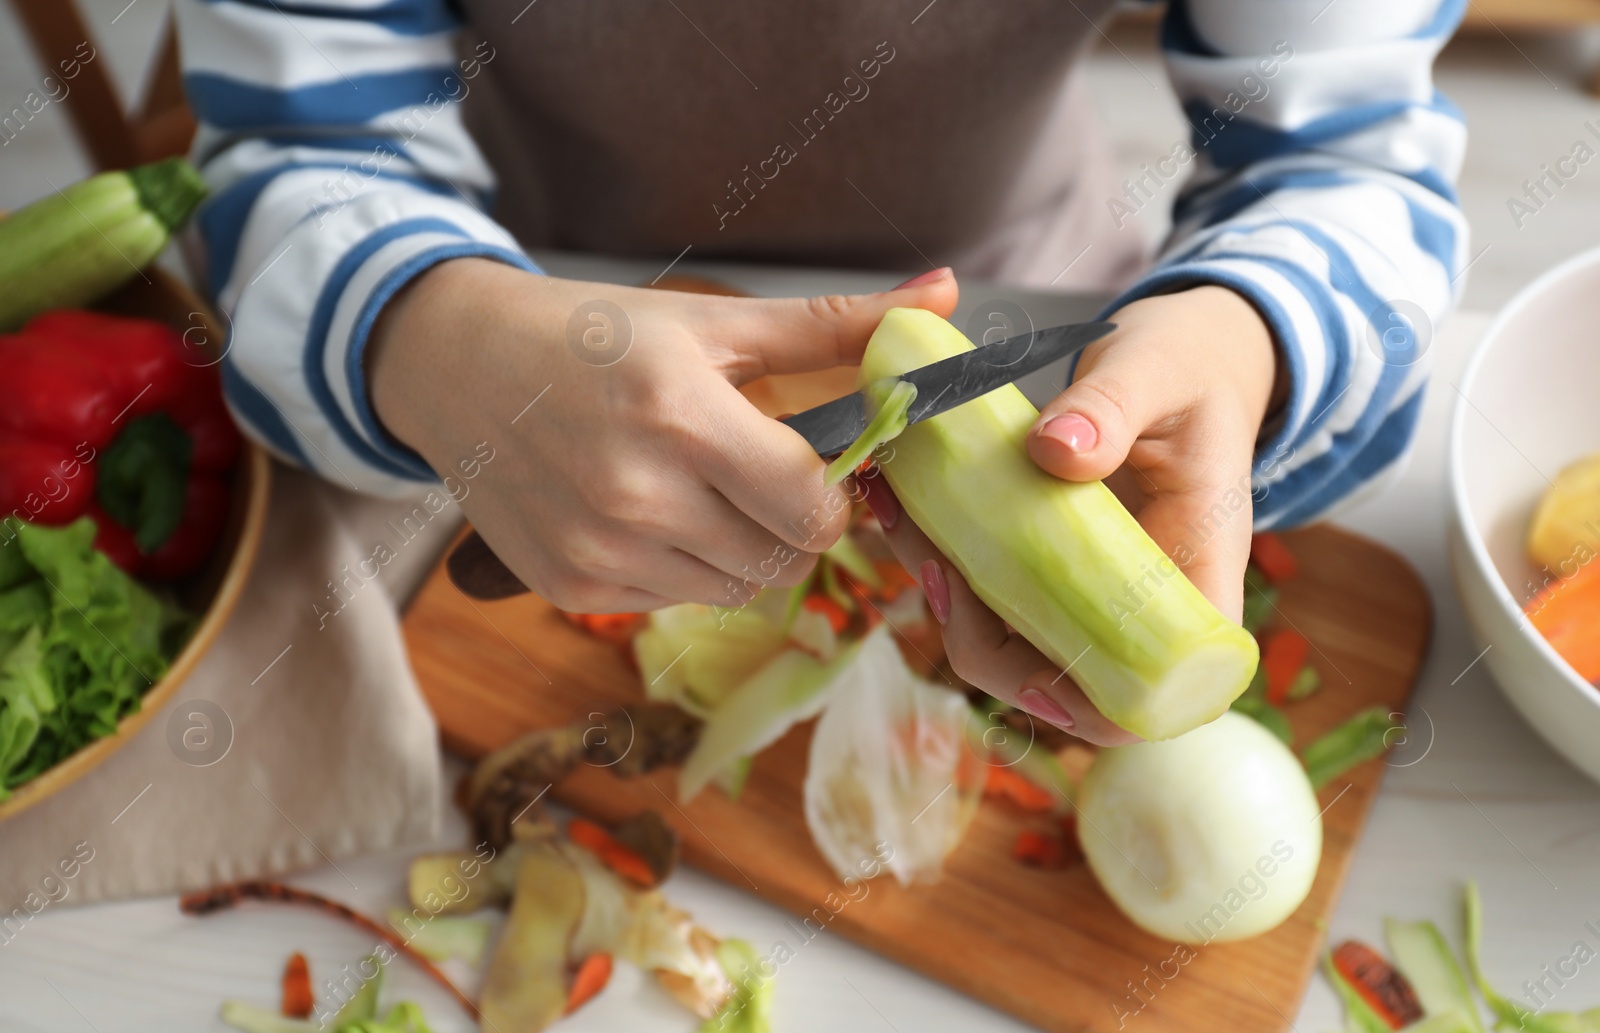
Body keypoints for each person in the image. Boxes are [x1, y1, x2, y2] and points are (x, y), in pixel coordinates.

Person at [175, 0, 1466, 744]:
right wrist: (423, 330)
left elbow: (1348, 167)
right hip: (525, 278)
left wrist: (1252, 332)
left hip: (1035, 273)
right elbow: (290, 142)